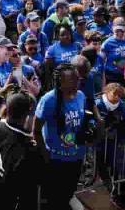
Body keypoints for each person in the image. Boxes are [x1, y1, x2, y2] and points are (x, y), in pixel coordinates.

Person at [34, 63, 92, 210]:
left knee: (69, 190)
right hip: (56, 159)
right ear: (60, 83)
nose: (77, 82)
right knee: (54, 197)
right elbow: (36, 130)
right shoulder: (48, 100)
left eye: (77, 78)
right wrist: (45, 152)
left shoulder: (81, 96)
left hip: (76, 155)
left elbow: (84, 120)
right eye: (72, 80)